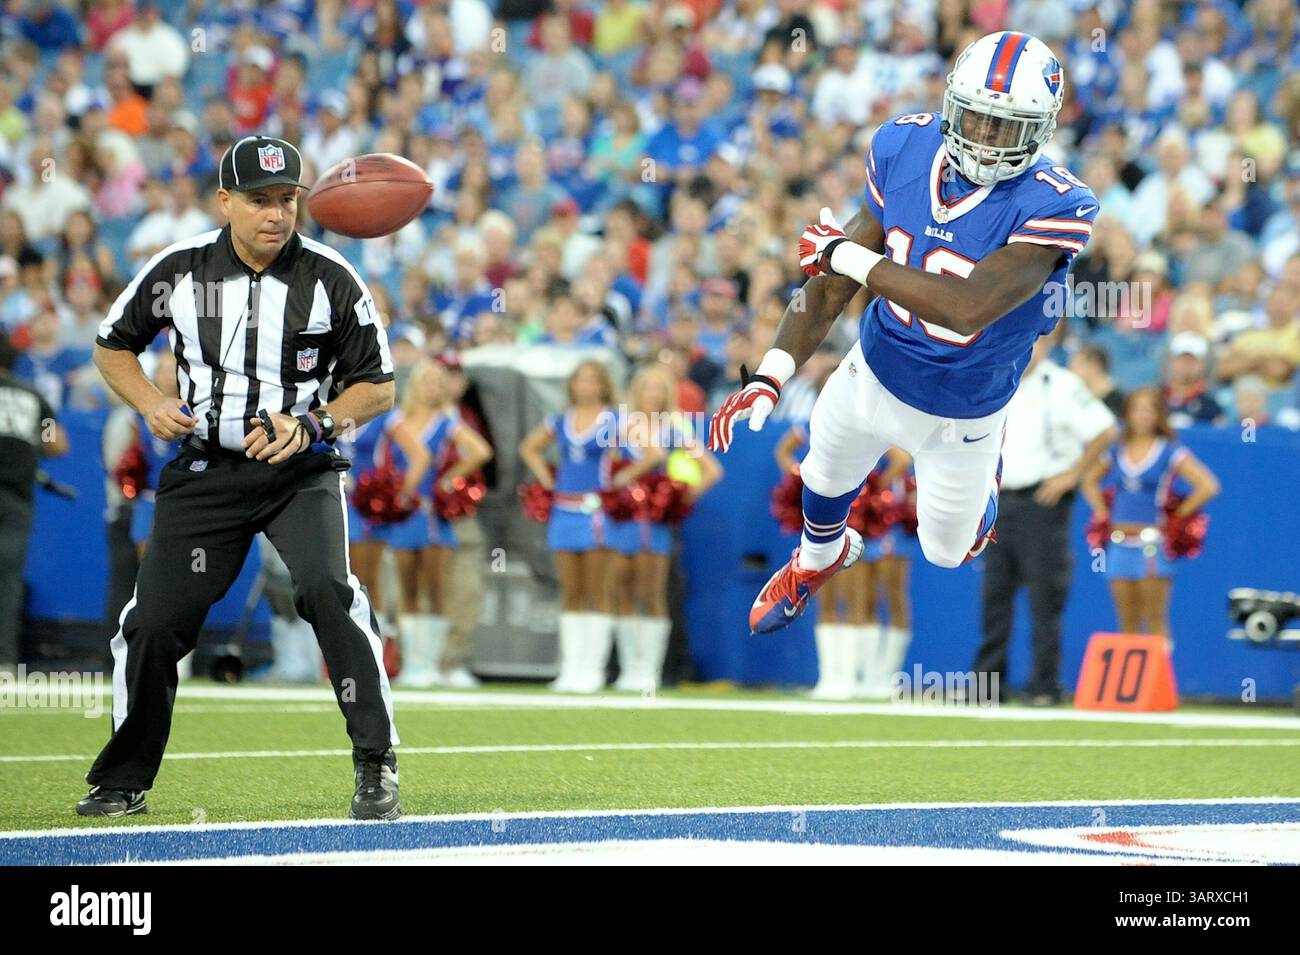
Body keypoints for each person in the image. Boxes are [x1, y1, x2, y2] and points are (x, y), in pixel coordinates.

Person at [708, 32, 1100, 635]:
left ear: (1042, 129)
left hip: (963, 409)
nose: (989, 139)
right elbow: (831, 283)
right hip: (876, 364)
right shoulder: (904, 145)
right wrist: (770, 374)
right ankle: (818, 560)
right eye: (979, 118)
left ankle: (981, 489)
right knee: (820, 476)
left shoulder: (1056, 202)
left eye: (1008, 127)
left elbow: (965, 308)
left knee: (947, 552)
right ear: (951, 105)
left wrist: (848, 257)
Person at [80, 136, 402, 821]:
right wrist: (150, 402)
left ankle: (377, 761)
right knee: (156, 620)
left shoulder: (331, 275)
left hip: (300, 468)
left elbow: (378, 387)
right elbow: (112, 345)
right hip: (205, 468)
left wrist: (311, 423)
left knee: (327, 590)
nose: (278, 214)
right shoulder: (179, 269)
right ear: (224, 201)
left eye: (288, 199)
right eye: (261, 200)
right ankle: (123, 777)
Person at [972, 334, 1117, 705]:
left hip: (1043, 502)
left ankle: (1044, 686)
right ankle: (987, 688)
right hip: (999, 501)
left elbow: (1106, 429)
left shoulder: (1064, 385)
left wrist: (1074, 474)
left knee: (1044, 598)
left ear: (1046, 345)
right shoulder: (996, 376)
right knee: (995, 597)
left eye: (1034, 342)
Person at [607, 365, 721, 692]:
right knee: (622, 591)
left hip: (653, 520)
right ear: (637, 391)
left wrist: (679, 500)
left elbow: (711, 470)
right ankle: (629, 669)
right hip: (622, 517)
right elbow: (608, 464)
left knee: (652, 593)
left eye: (659, 389)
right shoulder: (621, 423)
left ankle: (650, 670)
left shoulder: (674, 427)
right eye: (647, 388)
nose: (652, 395)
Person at [1081, 387, 1220, 647]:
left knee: (1155, 618)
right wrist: (1102, 512)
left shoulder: (1169, 451)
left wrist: (1178, 516)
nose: (1143, 416)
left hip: (1151, 546)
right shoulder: (1116, 449)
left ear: (1159, 415)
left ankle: (1159, 684)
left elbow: (1208, 485)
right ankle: (1131, 685)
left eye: (1150, 409)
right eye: (1137, 409)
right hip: (1119, 544)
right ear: (1128, 414)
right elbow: (1088, 480)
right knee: (1127, 623)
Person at [382, 360, 493, 687]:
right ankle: (411, 662)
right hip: (404, 513)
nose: (431, 389)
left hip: (432, 513)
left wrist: (450, 478)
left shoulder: (448, 423)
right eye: (425, 382)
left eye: (437, 384)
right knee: (406, 588)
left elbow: (481, 451)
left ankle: (433, 662)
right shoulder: (398, 420)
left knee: (437, 588)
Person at [518, 360, 619, 693]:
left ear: (604, 385)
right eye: (579, 380)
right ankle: (571, 668)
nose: (585, 386)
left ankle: (593, 669)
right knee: (571, 591)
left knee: (597, 590)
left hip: (597, 512)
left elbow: (648, 453)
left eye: (592, 380)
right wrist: (548, 478)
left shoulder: (615, 419)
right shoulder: (560, 420)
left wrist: (620, 480)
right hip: (563, 509)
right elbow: (528, 448)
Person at [0, 330, 70, 672]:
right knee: (8, 579)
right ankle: (4, 659)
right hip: (15, 499)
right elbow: (55, 443)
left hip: (15, 496)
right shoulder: (29, 396)